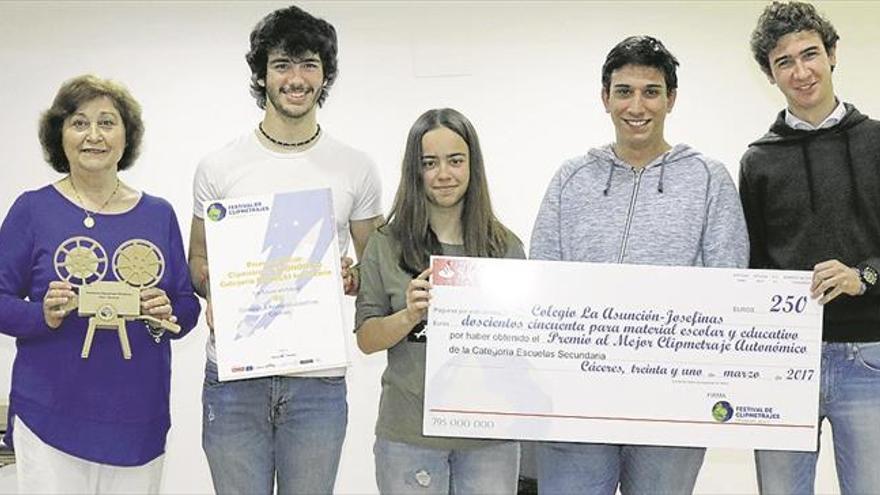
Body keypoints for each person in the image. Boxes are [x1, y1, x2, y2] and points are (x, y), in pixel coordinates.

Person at [530, 36, 748, 494]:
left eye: (651, 91)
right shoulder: (571, 179)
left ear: (671, 99)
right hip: (578, 406)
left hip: (671, 410)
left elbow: (730, 289)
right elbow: (542, 282)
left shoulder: (709, 179)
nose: (637, 105)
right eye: (624, 91)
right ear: (605, 97)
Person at [188, 5, 383, 494]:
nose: (296, 79)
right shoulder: (219, 166)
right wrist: (219, 290)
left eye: (309, 64)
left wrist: (349, 277)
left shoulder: (355, 168)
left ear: (325, 74)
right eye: (282, 65)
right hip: (234, 380)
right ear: (262, 74)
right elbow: (197, 264)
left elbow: (374, 274)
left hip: (316, 382)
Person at [0, 74, 199, 494]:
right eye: (79, 122)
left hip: (136, 421)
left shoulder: (158, 214)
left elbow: (186, 305)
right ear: (60, 136)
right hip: (48, 419)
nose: (93, 135)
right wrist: (42, 314)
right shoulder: (32, 210)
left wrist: (166, 312)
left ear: (128, 137)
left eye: (107, 122)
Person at [740, 2, 880, 494]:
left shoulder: (877, 142)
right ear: (769, 73)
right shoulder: (757, 161)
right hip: (785, 361)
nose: (801, 72)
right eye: (784, 62)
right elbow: (751, 262)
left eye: (810, 54)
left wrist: (863, 276)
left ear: (833, 54)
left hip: (869, 359)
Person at [355, 108, 523, 494]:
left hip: (490, 441)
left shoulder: (506, 247)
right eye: (430, 163)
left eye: (455, 161)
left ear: (472, 165)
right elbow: (366, 339)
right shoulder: (386, 243)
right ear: (415, 171)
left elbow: (522, 347)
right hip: (409, 437)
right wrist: (408, 315)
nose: (443, 174)